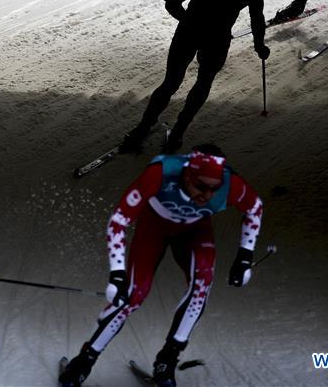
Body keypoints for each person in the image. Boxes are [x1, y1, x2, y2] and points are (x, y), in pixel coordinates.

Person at [58, 145, 264, 387]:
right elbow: (119, 221)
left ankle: (167, 362)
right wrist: (117, 274)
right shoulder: (160, 172)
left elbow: (255, 208)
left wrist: (244, 257)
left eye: (214, 188)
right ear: (187, 174)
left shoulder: (231, 184)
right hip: (154, 226)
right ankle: (83, 363)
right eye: (201, 186)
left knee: (202, 285)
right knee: (133, 296)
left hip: (195, 230)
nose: (208, 195)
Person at [119, 0, 269, 154]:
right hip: (217, 39)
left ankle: (141, 129)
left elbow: (172, 3)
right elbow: (257, 19)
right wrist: (259, 45)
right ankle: (177, 134)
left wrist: (189, 21)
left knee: (170, 82)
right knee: (203, 83)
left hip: (188, 33)